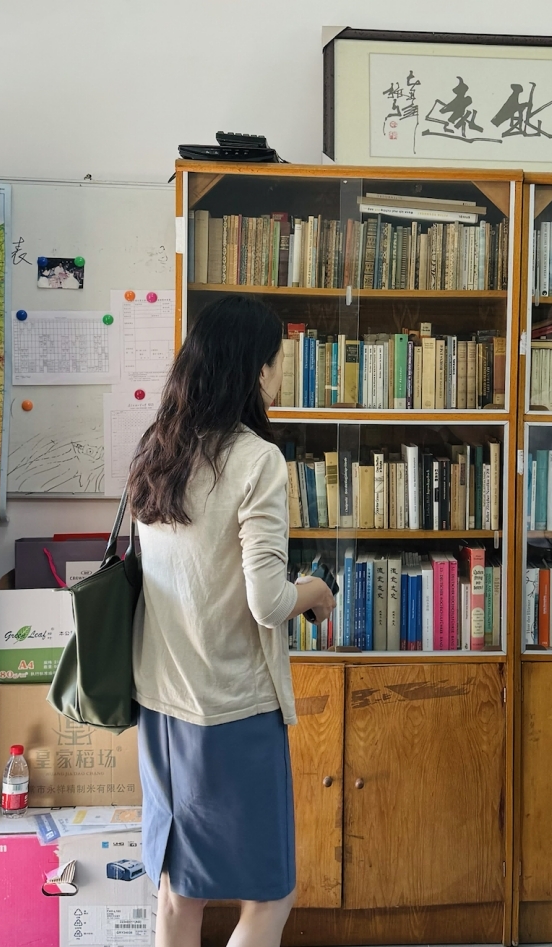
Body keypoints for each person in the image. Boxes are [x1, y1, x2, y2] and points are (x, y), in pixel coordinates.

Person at [128, 294, 335, 947]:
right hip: (232, 712)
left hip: (161, 706)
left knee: (178, 894)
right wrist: (318, 590)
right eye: (278, 360)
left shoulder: (157, 450)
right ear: (255, 369)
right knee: (271, 894)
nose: (281, 373)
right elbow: (267, 602)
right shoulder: (257, 460)